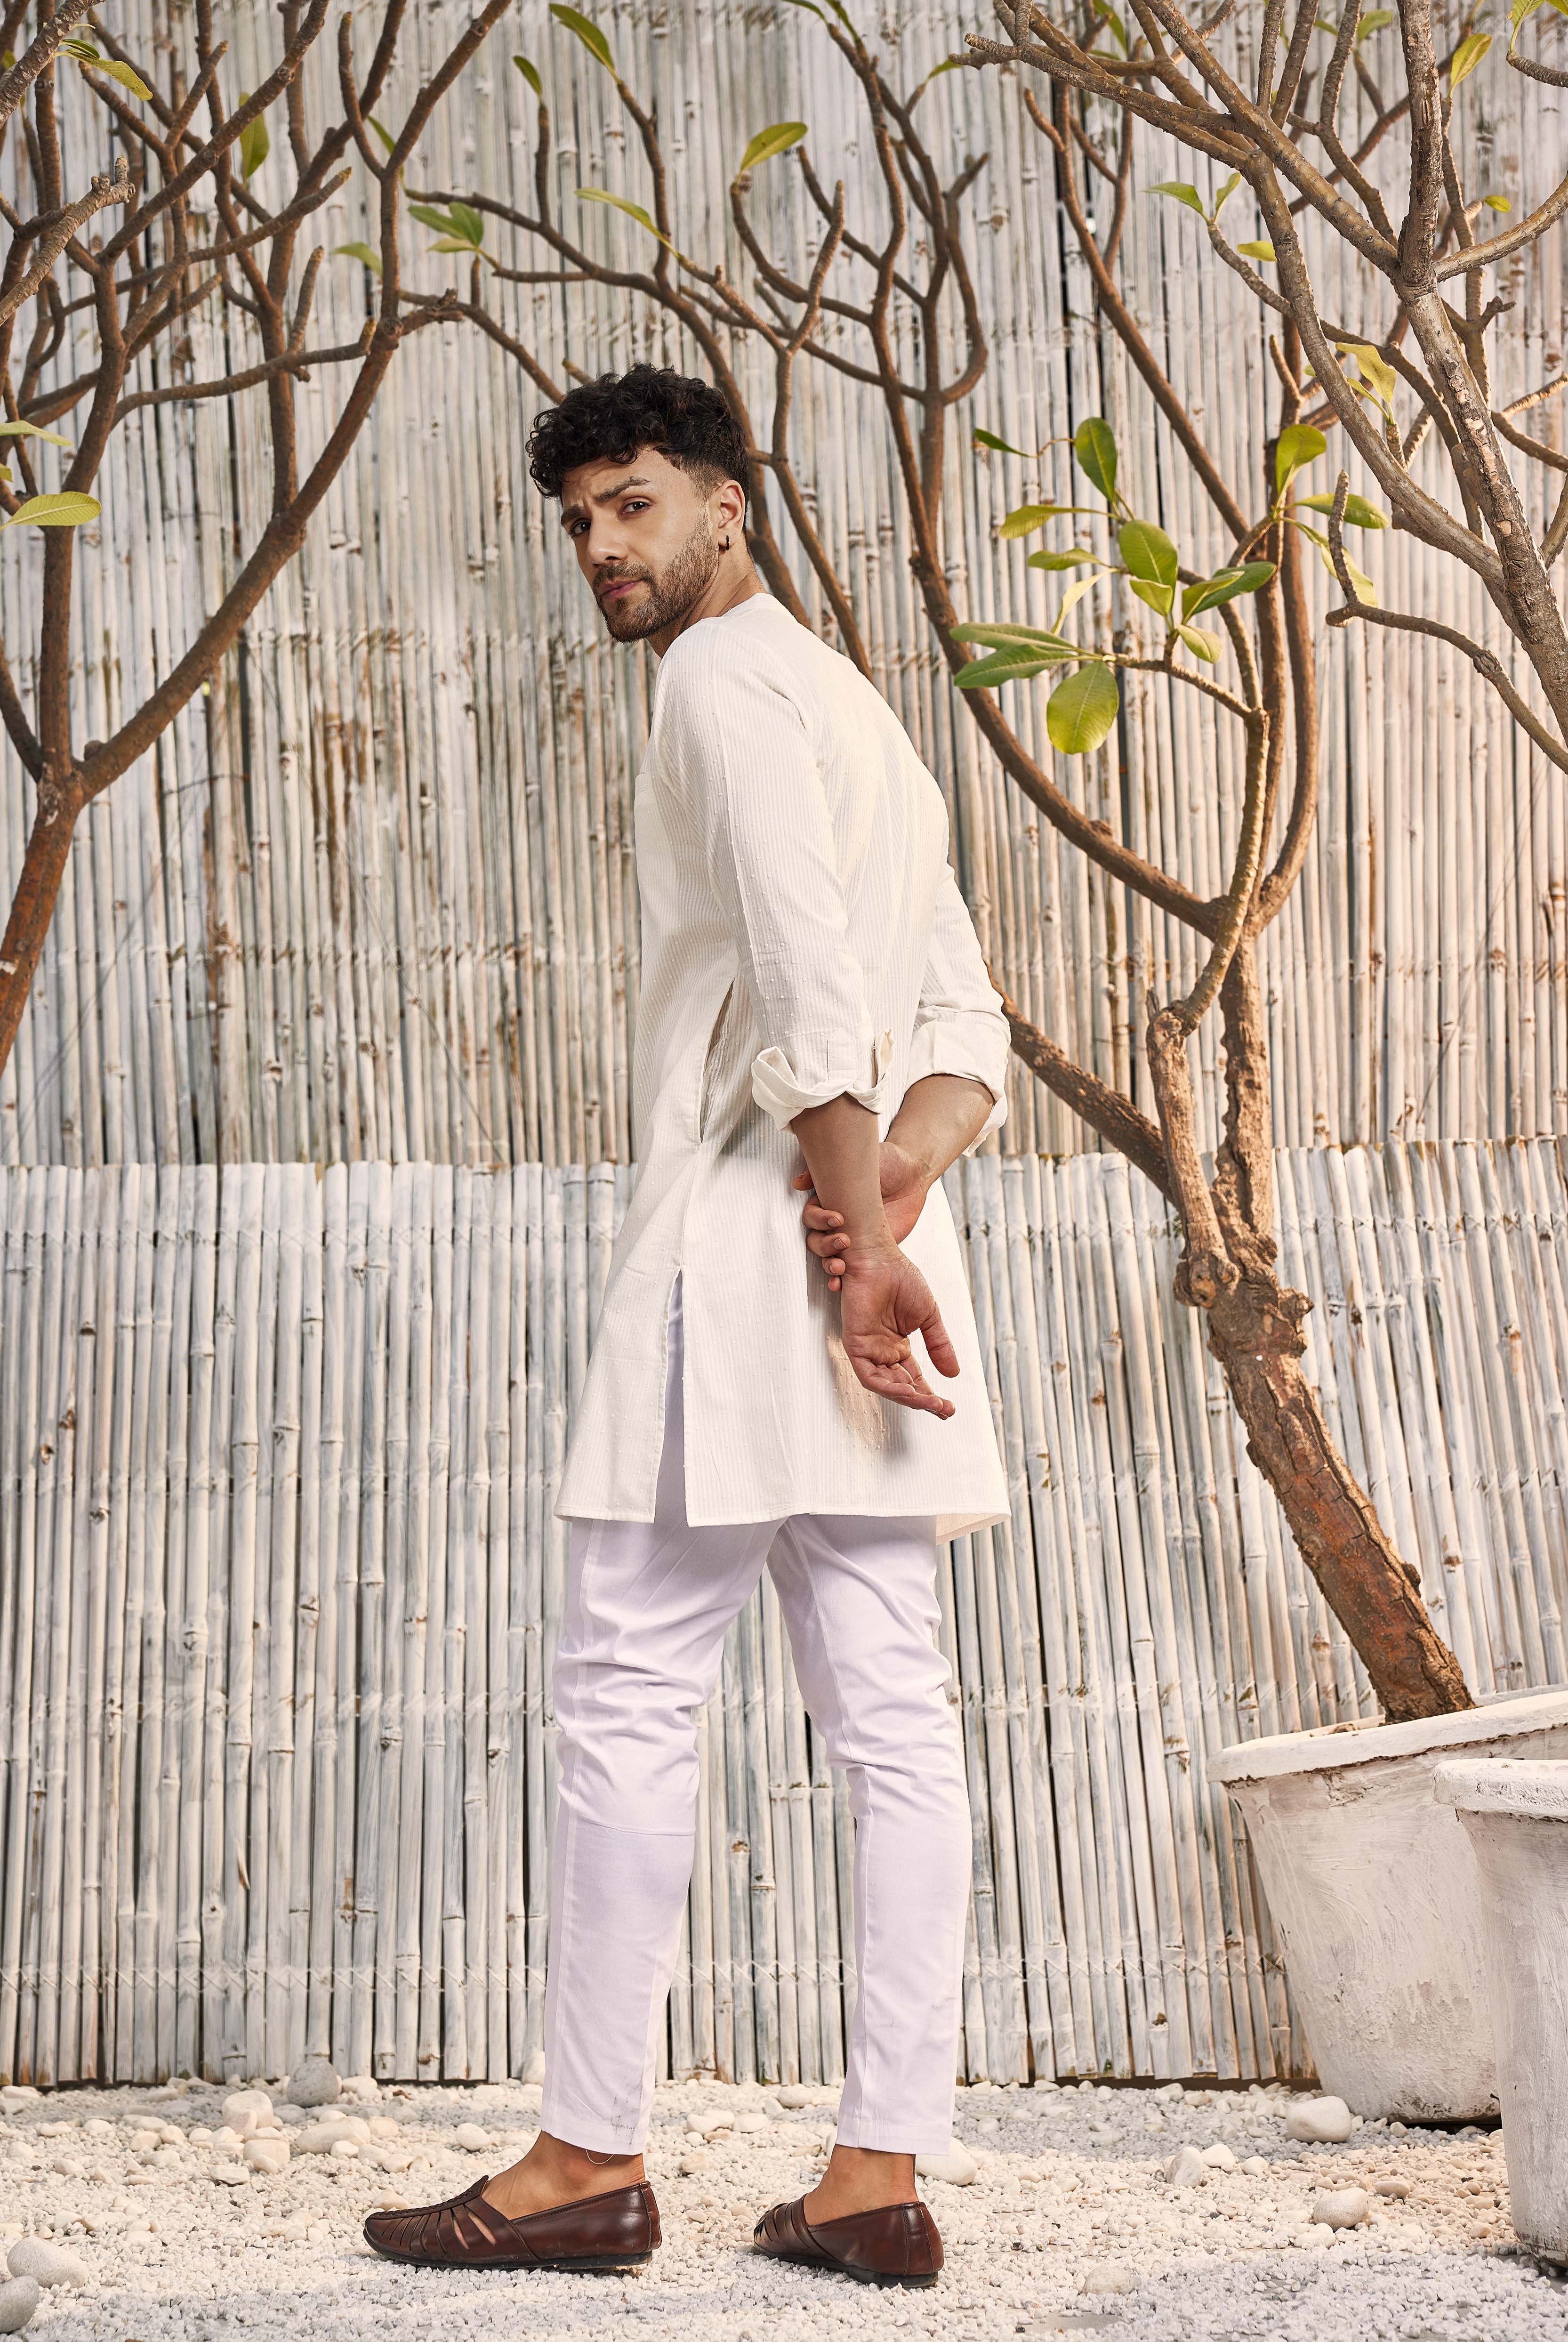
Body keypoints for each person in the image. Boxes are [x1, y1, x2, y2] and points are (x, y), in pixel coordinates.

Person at [365, 366, 1011, 2289]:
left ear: (727, 505)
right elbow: (966, 1029)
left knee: (631, 1690)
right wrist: (890, 1201)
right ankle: (878, 2171)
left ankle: (586, 2160)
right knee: (894, 1714)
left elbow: (814, 989)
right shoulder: (859, 710)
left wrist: (849, 1235)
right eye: (578, 520)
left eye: (631, 504)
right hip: (861, 1243)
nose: (600, 546)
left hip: (751, 1251)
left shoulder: (722, 685)